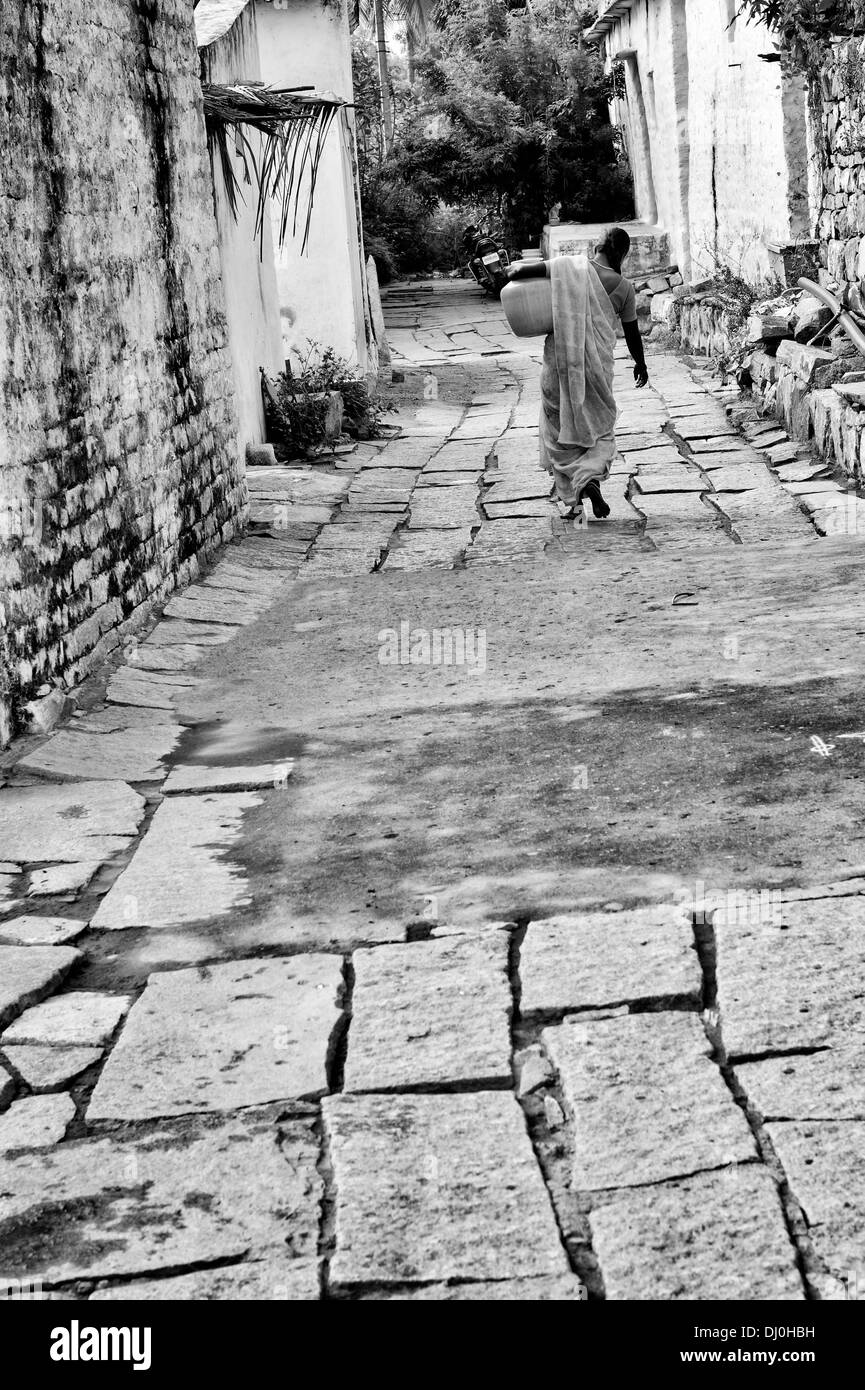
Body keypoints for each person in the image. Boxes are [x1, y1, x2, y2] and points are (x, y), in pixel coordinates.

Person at [508, 227, 648, 520]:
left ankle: (575, 502)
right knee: (597, 428)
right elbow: (632, 334)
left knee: (558, 430)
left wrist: (514, 268)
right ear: (622, 254)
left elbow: (521, 274)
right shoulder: (624, 288)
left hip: (559, 364)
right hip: (597, 370)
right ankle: (589, 478)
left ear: (597, 246)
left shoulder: (569, 267)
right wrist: (640, 364)